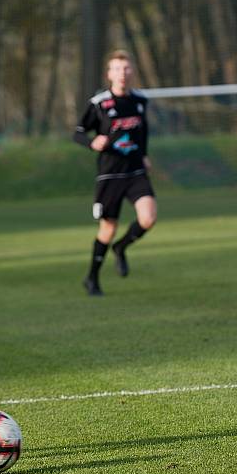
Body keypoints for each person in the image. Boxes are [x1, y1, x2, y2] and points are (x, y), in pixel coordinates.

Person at [74, 50, 157, 296]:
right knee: (107, 229)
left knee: (148, 218)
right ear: (110, 74)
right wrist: (92, 142)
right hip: (110, 175)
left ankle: (121, 248)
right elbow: (77, 132)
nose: (122, 73)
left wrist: (143, 153)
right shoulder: (99, 104)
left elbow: (142, 132)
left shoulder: (140, 101)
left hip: (135, 171)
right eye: (117, 69)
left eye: (126, 68)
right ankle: (92, 278)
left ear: (132, 72)